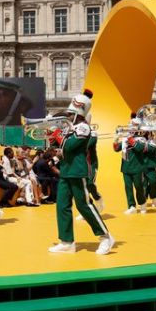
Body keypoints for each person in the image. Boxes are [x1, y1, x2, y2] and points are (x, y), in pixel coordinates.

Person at [47, 89, 114, 255]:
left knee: (84, 205)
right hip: (66, 170)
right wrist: (52, 139)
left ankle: (105, 236)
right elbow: (61, 149)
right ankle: (67, 241)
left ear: (79, 113)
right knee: (62, 206)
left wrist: (57, 135)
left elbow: (70, 146)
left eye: (71, 113)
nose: (67, 116)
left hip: (77, 171)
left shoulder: (83, 128)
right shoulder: (70, 128)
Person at [113, 115, 152, 215]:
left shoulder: (141, 139)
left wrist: (129, 138)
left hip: (137, 167)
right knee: (128, 187)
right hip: (126, 167)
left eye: (134, 125)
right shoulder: (126, 138)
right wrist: (116, 139)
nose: (131, 126)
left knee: (138, 186)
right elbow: (116, 149)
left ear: (138, 127)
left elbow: (139, 148)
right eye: (131, 124)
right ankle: (131, 206)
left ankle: (142, 203)